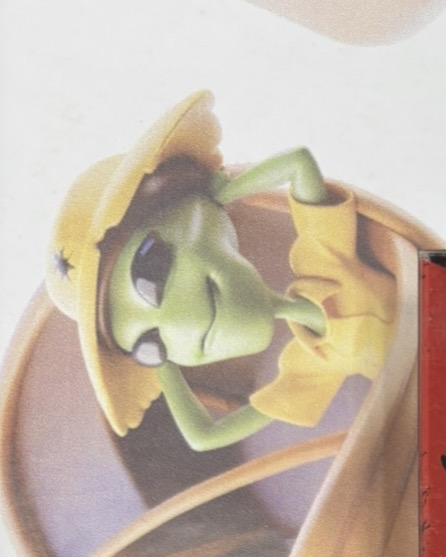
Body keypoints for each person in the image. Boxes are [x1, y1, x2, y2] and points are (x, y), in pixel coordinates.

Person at [45, 90, 399, 451]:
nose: (181, 320)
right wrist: (161, 365)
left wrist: (220, 195)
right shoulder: (311, 365)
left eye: (150, 274)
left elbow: (298, 163)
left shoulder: (324, 260)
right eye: (150, 342)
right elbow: (204, 437)